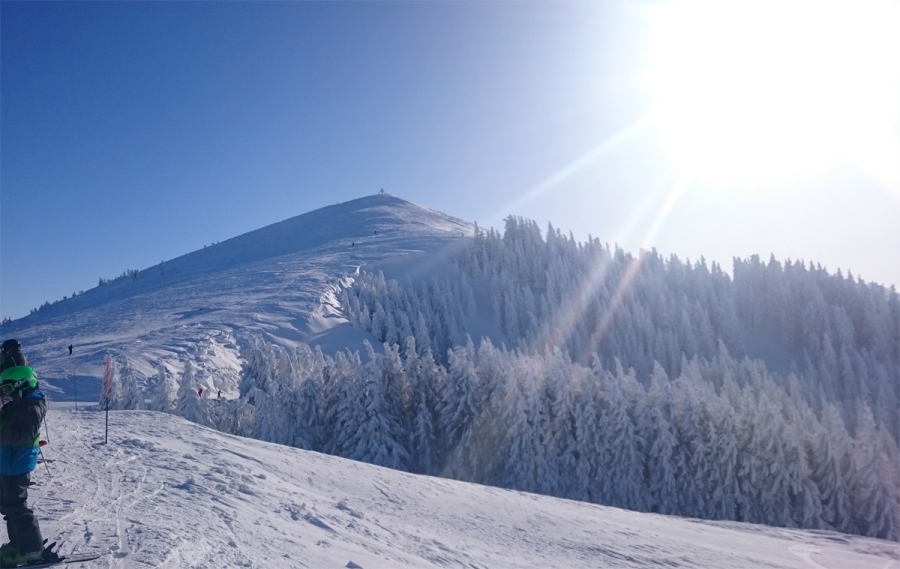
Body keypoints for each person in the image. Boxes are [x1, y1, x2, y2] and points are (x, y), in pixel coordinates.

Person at [0, 361, 51, 566]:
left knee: (17, 507)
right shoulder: (16, 404)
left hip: (17, 464)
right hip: (6, 462)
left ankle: (32, 549)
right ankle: (18, 544)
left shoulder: (31, 408)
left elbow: (22, 435)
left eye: (7, 389)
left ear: (22, 385)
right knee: (7, 506)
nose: (4, 393)